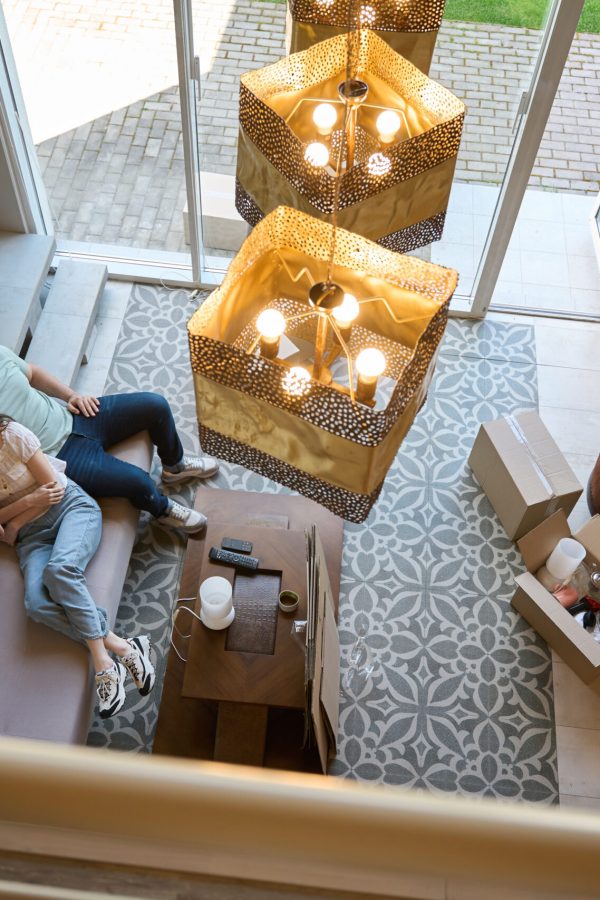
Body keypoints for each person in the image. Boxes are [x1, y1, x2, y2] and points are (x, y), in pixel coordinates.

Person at [0, 415, 155, 719]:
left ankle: (104, 664)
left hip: (70, 509)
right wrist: (28, 502)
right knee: (36, 604)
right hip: (33, 540)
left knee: (59, 572)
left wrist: (12, 522)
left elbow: (53, 488)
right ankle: (124, 646)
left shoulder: (13, 435)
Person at [0, 344, 219, 533]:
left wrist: (71, 395)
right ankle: (162, 510)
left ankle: (175, 465)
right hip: (59, 455)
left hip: (75, 415)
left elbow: (33, 373)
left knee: (156, 405)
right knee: (139, 481)